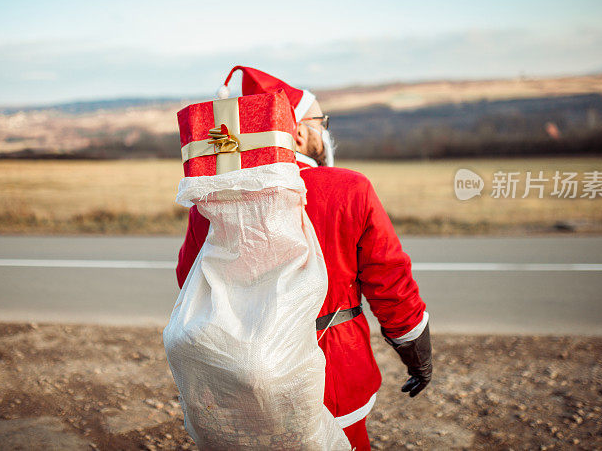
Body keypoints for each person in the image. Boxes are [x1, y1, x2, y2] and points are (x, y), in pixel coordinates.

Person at [175, 66, 432, 451]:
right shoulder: (350, 188)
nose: (324, 131)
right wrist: (417, 355)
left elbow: (189, 280)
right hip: (334, 370)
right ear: (296, 130)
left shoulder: (213, 201)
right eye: (320, 121)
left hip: (242, 367)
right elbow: (391, 285)